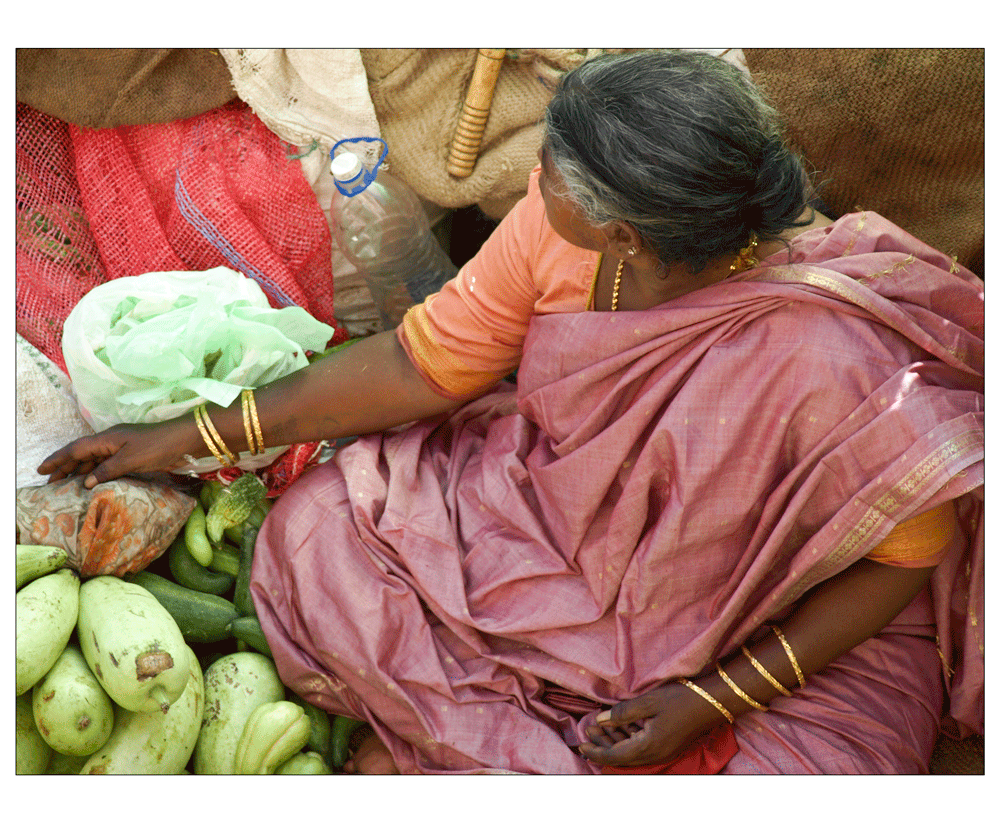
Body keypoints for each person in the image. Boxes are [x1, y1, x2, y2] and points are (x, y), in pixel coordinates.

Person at [39, 50, 984, 775]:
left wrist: (708, 695)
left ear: (628, 232)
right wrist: (186, 434)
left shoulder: (837, 351)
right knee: (317, 530)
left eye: (562, 175)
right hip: (554, 534)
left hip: (771, 624)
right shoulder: (560, 224)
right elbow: (420, 364)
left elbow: (903, 562)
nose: (538, 178)